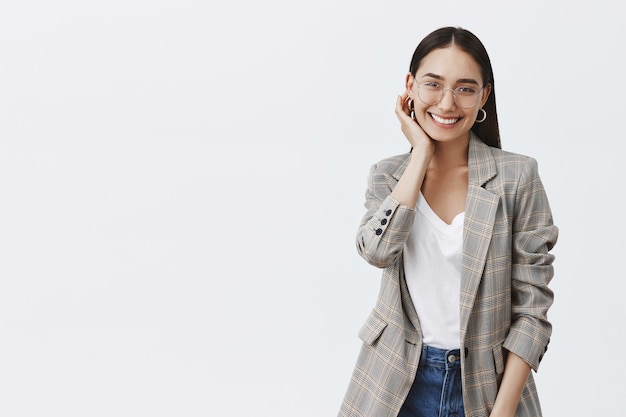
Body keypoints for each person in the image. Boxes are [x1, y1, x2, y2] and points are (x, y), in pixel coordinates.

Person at [338, 27, 558, 417]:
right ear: (409, 86)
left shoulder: (517, 177)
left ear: (484, 96)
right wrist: (420, 152)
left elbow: (531, 311)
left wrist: (503, 410)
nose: (447, 102)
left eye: (465, 88)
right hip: (393, 381)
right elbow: (376, 251)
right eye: (433, 84)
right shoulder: (388, 176)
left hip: (487, 387)